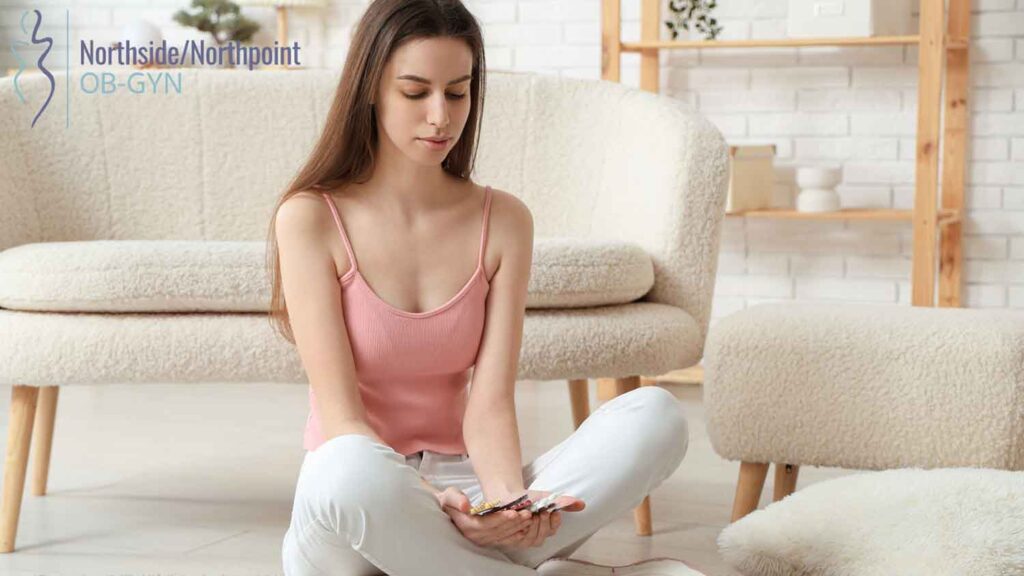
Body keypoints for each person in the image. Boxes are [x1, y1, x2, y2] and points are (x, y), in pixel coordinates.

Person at [266, 1, 689, 574]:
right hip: (359, 498)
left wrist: (507, 504)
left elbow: (489, 402)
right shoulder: (310, 217)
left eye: (458, 92)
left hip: (464, 487)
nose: (440, 116)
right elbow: (342, 419)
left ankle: (464, 558)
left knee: (656, 416)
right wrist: (421, 497)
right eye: (415, 93)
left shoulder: (504, 221)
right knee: (346, 467)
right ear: (369, 89)